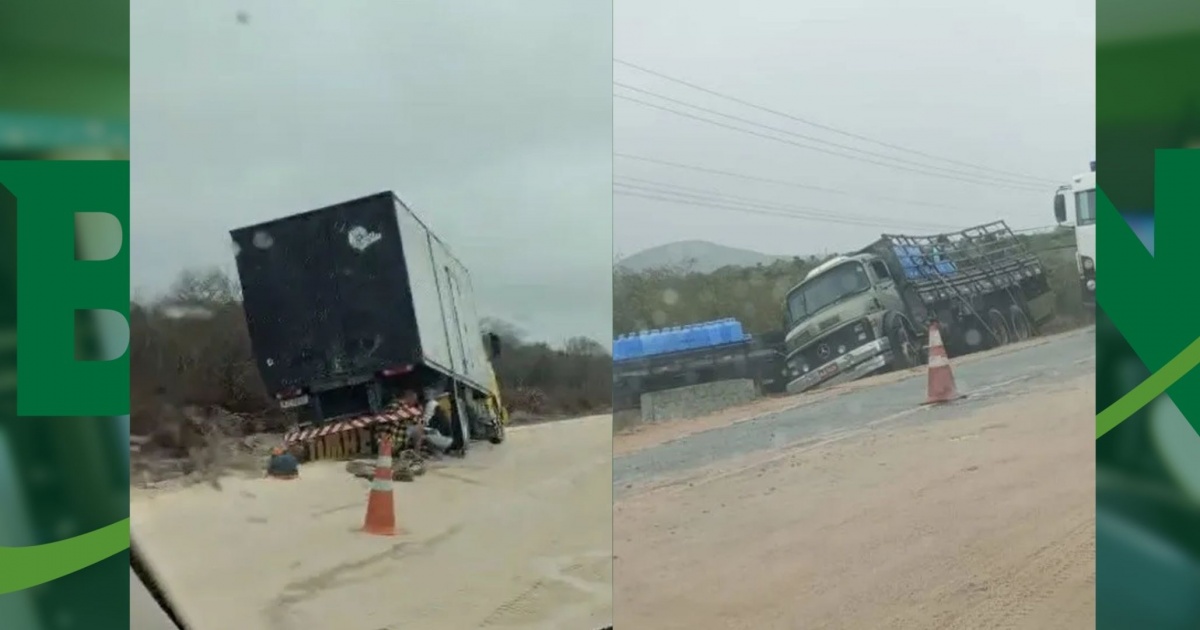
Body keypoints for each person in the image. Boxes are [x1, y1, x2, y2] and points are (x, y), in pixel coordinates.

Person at [400, 389, 455, 456]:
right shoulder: (432, 406)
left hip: (445, 439)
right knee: (420, 433)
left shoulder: (431, 405)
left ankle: (417, 454)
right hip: (442, 438)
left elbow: (424, 424)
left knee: (419, 433)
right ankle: (437, 454)